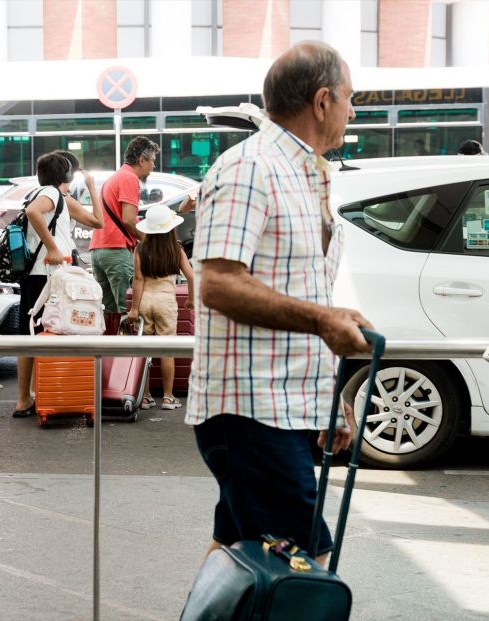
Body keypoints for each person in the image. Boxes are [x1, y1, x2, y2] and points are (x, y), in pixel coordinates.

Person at [185, 41, 373, 568]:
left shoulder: (308, 173)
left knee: (235, 556)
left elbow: (305, 292)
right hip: (251, 408)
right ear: (322, 101)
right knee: (304, 565)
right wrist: (322, 319)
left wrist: (329, 399)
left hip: (280, 405)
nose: (353, 112)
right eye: (350, 99)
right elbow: (219, 285)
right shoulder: (250, 168)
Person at [12, 150, 103, 417]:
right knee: (41, 334)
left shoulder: (54, 196)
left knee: (33, 335)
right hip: (46, 274)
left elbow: (97, 222)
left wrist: (91, 188)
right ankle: (29, 398)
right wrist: (52, 247)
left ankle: (31, 396)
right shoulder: (51, 193)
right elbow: (32, 211)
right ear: (67, 175)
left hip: (41, 274)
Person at [126, 203, 195, 410]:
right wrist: (191, 300)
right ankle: (168, 397)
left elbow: (138, 280)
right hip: (166, 303)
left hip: (145, 302)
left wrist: (134, 309)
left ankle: (145, 396)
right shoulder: (177, 250)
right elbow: (192, 277)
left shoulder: (140, 249)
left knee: (145, 351)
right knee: (167, 350)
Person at [89, 136, 160, 331]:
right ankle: (126, 350)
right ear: (141, 160)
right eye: (152, 160)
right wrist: (148, 240)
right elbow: (128, 219)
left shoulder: (115, 177)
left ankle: (108, 348)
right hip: (117, 250)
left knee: (108, 309)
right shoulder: (130, 178)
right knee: (128, 309)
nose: (153, 166)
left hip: (99, 250)